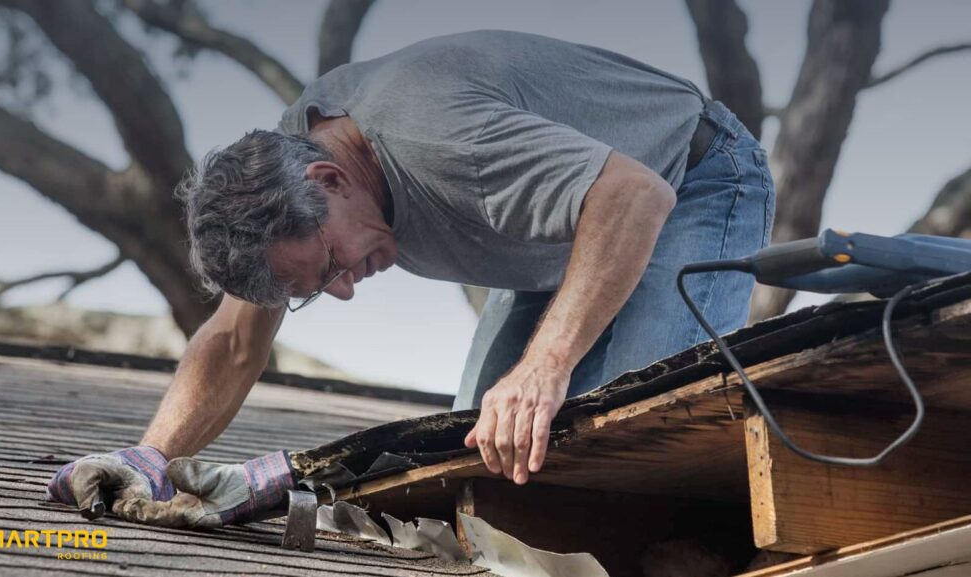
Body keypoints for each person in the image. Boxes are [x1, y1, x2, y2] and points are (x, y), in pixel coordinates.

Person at [46, 30, 774, 527]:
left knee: (637, 440)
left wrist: (545, 367)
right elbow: (235, 341)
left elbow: (632, 197)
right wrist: (150, 458)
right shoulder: (282, 178)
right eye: (314, 288)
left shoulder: (441, 139)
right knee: (480, 466)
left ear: (330, 178)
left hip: (692, 178)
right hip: (558, 236)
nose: (344, 288)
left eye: (330, 265)